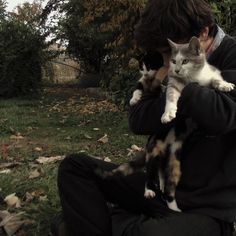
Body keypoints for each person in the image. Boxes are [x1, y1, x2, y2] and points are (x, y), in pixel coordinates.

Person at [52, 0, 236, 235]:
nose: (168, 63)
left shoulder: (231, 57)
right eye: (163, 54)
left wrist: (177, 81)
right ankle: (114, 222)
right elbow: (138, 119)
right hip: (156, 189)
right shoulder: (164, 61)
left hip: (206, 207)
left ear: (202, 33)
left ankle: (101, 223)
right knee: (74, 168)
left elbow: (221, 115)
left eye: (170, 53)